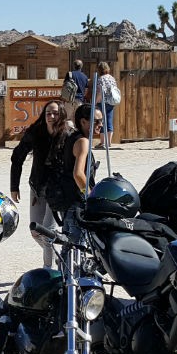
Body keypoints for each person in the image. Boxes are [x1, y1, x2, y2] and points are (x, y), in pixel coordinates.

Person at [10, 101, 71, 268]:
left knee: (47, 232)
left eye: (55, 113)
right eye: (48, 113)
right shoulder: (36, 132)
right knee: (35, 231)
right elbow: (17, 156)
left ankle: (48, 270)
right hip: (37, 186)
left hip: (58, 190)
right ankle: (61, 257)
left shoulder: (68, 134)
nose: (51, 117)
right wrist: (14, 186)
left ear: (62, 115)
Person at [54, 103, 104, 247]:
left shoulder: (71, 138)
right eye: (96, 121)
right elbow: (78, 174)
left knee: (68, 245)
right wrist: (89, 195)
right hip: (77, 202)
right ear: (83, 121)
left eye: (101, 121)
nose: (100, 125)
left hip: (67, 200)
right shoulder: (83, 142)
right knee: (78, 246)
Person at [95, 61, 119, 145]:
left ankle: (102, 142)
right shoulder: (112, 78)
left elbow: (100, 92)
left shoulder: (101, 79)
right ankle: (109, 142)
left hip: (103, 102)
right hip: (111, 102)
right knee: (109, 121)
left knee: (101, 122)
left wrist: (96, 101)